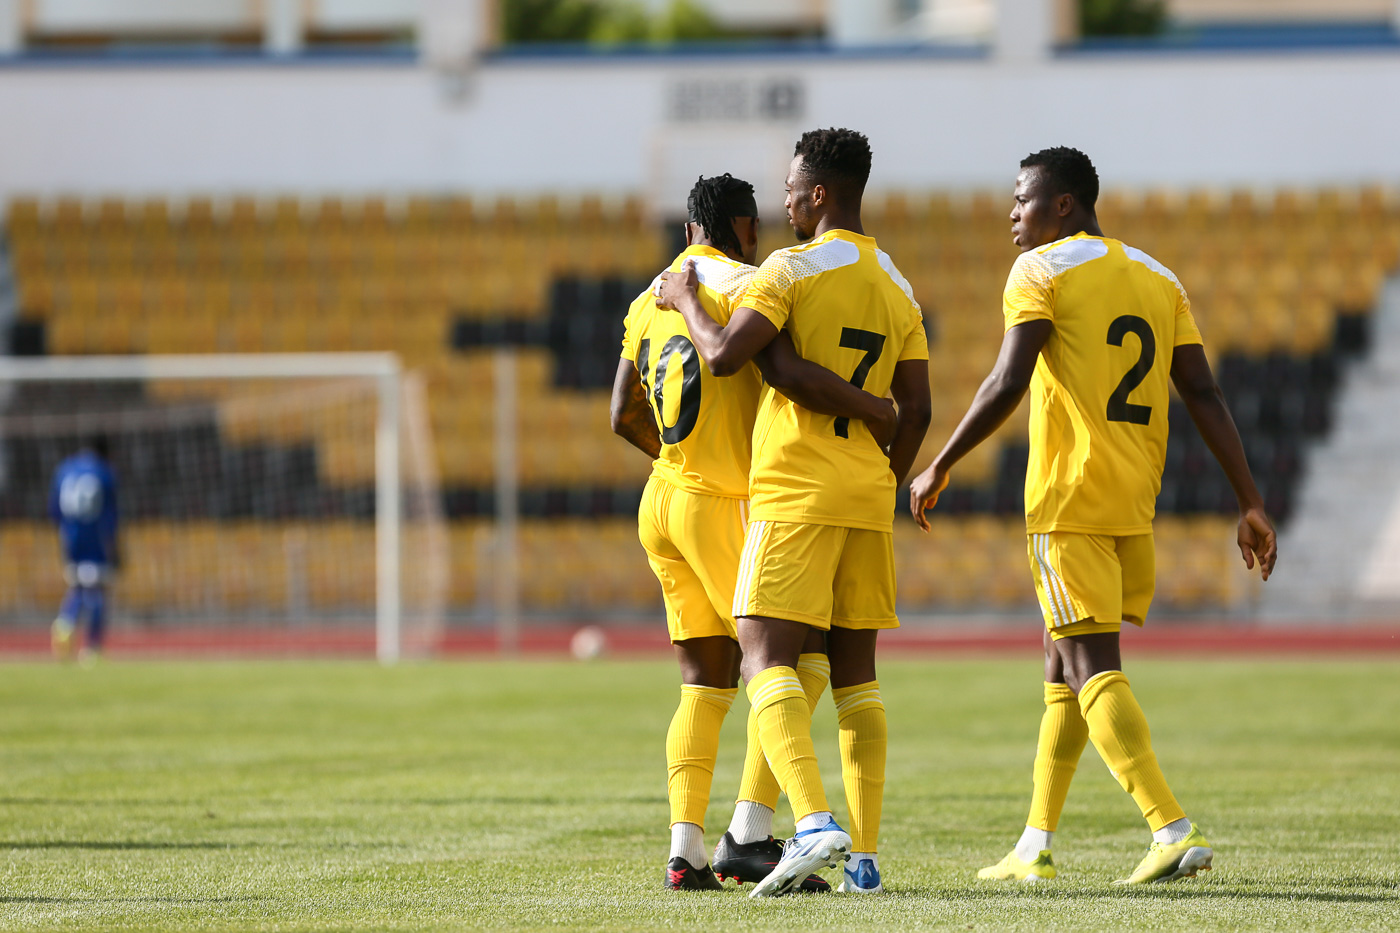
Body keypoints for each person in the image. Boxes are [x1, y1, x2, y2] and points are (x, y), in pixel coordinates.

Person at [909, 146, 1278, 885]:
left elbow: (1008, 377)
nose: (1012, 214)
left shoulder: (1039, 271)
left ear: (1063, 205)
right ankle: (1034, 843)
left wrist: (941, 462)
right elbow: (1203, 394)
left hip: (1068, 498)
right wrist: (1250, 499)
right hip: (1132, 503)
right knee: (1061, 666)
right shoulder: (1158, 277)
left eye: (1022, 200)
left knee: (1090, 668)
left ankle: (1170, 827)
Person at [655, 128, 932, 897]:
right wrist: (883, 477)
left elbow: (727, 355)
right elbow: (917, 407)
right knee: (856, 676)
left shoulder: (790, 267)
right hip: (866, 493)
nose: (782, 204)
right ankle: (864, 861)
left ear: (817, 192)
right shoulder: (898, 284)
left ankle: (811, 823)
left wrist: (685, 299)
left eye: (789, 190)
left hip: (795, 487)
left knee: (762, 656)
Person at [48, 435, 120, 663]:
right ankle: (92, 647)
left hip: (70, 537)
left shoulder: (64, 469)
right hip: (94, 536)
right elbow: (111, 514)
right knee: (97, 589)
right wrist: (114, 546)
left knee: (78, 586)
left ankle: (64, 626)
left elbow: (54, 511)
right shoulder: (104, 472)